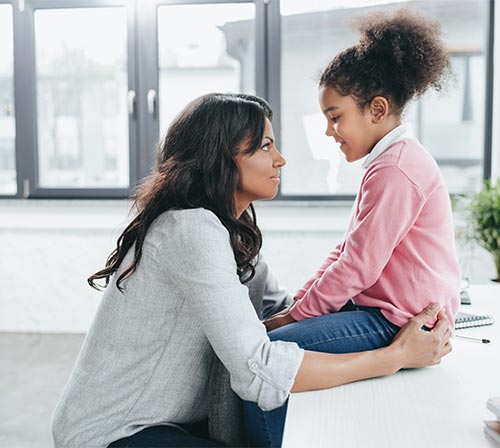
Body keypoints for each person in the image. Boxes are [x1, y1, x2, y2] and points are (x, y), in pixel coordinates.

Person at [51, 93, 451, 448]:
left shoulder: (229, 236)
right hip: (116, 433)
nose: (280, 159)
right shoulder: (189, 230)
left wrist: (390, 312)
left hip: (177, 423)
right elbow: (257, 368)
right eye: (264, 146)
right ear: (220, 159)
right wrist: (394, 355)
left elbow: (284, 312)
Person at [245, 8, 461, 447]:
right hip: (381, 311)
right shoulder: (389, 162)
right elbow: (347, 251)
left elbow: (357, 267)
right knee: (277, 334)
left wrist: (293, 316)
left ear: (377, 109)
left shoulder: (397, 169)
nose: (329, 131)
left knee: (264, 364)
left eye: (336, 116)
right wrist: (301, 302)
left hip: (395, 322)